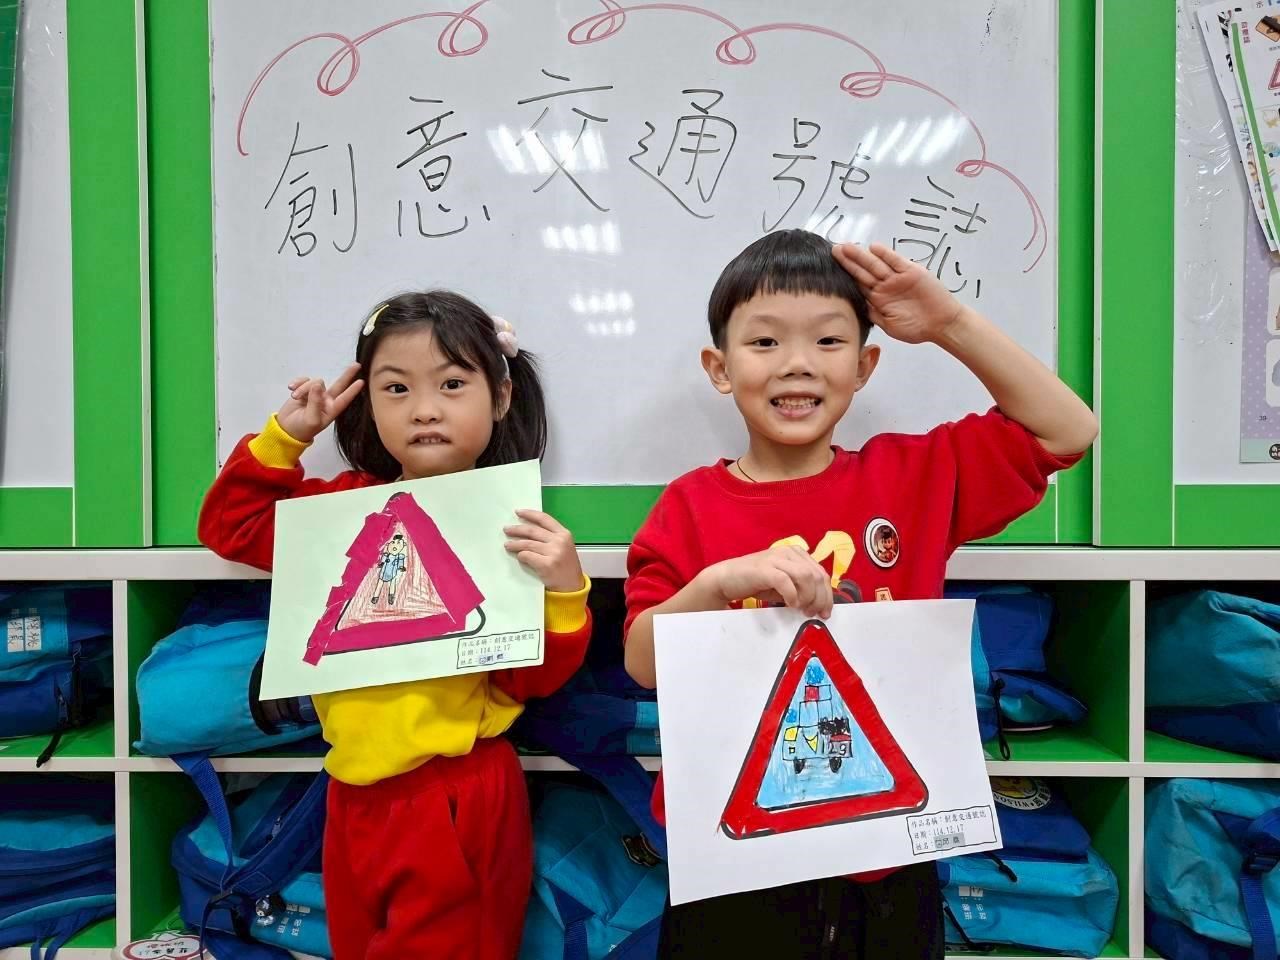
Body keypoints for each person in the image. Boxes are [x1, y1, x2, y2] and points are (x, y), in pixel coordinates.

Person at [623, 229, 1097, 958]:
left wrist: (949, 323)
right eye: (765, 342)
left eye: (828, 340)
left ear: (865, 365)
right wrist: (716, 584)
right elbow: (643, 663)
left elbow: (1069, 429)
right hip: (736, 860)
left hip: (886, 856)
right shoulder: (688, 506)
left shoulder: (912, 477)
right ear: (719, 368)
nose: (798, 363)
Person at [199, 292, 592, 959]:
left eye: (452, 384)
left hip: (454, 791)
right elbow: (231, 527)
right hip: (352, 791)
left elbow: (529, 680)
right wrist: (287, 437)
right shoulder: (342, 509)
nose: (425, 409)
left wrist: (563, 592)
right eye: (396, 388)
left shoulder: (513, 525)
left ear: (500, 396)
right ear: (367, 402)